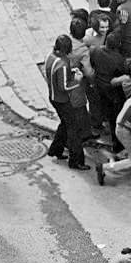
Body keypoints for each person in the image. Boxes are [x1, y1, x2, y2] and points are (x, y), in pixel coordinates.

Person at [44, 35, 91, 171]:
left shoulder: (50, 56)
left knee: (65, 123)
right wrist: (77, 80)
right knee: (74, 129)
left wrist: (71, 73)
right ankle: (76, 160)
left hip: (53, 97)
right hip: (62, 100)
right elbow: (64, 87)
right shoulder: (63, 64)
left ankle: (56, 149)